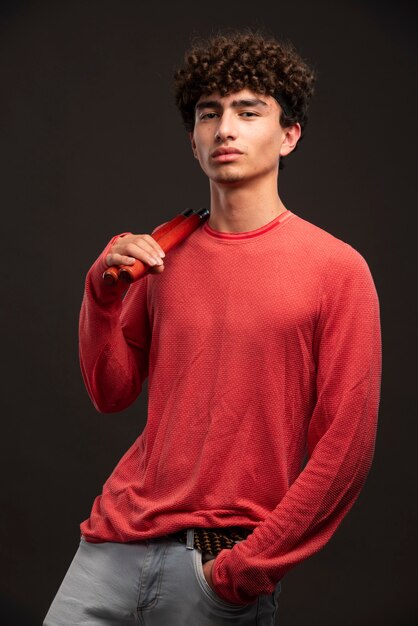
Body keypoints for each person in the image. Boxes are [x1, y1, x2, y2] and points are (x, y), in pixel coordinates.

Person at [44, 29, 382, 625]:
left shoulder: (337, 269)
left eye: (249, 112)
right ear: (194, 142)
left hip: (218, 573)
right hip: (109, 550)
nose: (225, 127)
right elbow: (111, 392)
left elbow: (345, 448)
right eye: (210, 114)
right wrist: (101, 294)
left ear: (289, 135)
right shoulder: (160, 251)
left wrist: (245, 572)